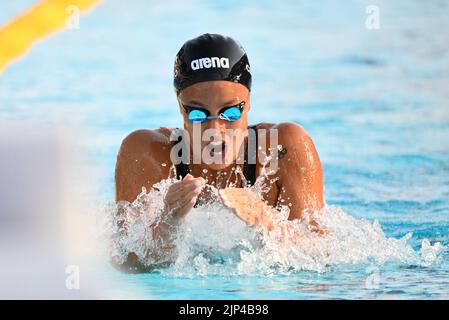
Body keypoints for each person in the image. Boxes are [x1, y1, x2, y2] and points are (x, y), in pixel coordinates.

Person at [113, 33, 325, 272]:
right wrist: (166, 225)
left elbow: (323, 255)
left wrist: (266, 221)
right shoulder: (147, 154)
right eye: (197, 115)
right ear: (180, 109)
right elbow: (125, 263)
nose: (215, 130)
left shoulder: (285, 149)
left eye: (231, 113)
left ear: (249, 101)